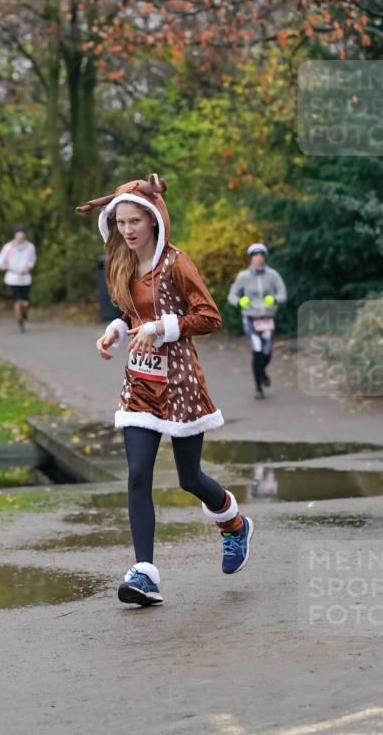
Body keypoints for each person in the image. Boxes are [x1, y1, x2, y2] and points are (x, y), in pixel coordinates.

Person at [77, 173, 254, 607]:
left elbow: (209, 317)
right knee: (138, 475)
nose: (128, 230)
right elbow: (130, 310)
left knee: (189, 477)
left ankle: (233, 523)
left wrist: (162, 327)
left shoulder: (177, 264)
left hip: (179, 383)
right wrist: (115, 332)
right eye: (121, 223)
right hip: (139, 384)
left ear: (154, 220)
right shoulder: (121, 263)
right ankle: (145, 574)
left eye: (136, 221)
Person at [227, 243, 287, 399]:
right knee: (257, 351)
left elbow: (283, 295)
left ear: (265, 258)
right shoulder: (243, 276)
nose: (259, 259)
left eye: (261, 256)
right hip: (251, 319)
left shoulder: (272, 275)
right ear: (251, 259)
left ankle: (262, 372)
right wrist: (240, 301)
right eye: (256, 257)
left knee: (267, 353)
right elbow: (231, 296)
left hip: (267, 319)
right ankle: (258, 387)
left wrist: (273, 299)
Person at [0, 225, 36, 331]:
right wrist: (3, 266)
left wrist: (28, 267)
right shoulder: (8, 247)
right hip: (12, 278)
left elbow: (32, 261)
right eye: (18, 234)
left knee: (25, 302)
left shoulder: (30, 247)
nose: (20, 236)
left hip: (25, 278)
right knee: (17, 301)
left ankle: (24, 312)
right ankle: (20, 320)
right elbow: (0, 261)